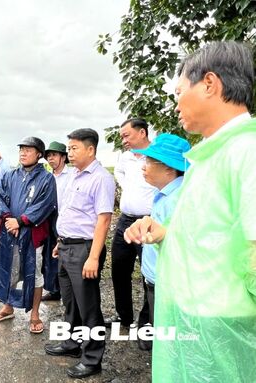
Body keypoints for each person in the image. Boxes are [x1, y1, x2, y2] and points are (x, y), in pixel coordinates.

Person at [124, 41, 256, 382]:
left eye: (180, 91)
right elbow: (212, 234)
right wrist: (163, 232)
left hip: (223, 329)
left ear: (210, 84)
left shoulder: (246, 151)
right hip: (195, 321)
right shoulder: (205, 159)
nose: (177, 102)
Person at [44, 128, 115, 379]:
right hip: (66, 246)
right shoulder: (75, 175)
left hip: (84, 249)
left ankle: (92, 358)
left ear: (90, 149)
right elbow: (71, 213)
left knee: (89, 307)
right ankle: (72, 344)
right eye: (69, 148)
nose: (69, 153)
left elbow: (104, 220)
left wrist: (93, 257)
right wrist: (60, 241)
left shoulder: (101, 178)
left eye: (74, 148)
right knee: (70, 303)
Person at [0, 137, 58, 334]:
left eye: (29, 149)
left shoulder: (46, 178)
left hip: (32, 234)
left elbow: (46, 204)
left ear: (39, 154)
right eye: (22, 149)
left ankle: (35, 314)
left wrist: (21, 221)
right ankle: (8, 306)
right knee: (8, 269)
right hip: (11, 233)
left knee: (34, 273)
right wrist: (9, 219)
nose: (23, 152)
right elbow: (2, 198)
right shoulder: (10, 176)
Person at [130, 133, 190, 351]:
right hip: (157, 279)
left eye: (149, 161)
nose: (143, 167)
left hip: (168, 284)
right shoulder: (165, 193)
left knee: (172, 342)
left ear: (168, 168)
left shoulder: (179, 198)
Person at [107, 118, 155, 329]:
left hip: (149, 221)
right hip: (125, 219)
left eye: (127, 135)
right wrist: (128, 187)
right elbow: (118, 172)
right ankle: (123, 315)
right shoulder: (125, 158)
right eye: (122, 137)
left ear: (142, 132)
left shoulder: (156, 155)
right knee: (119, 268)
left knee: (149, 273)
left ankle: (147, 322)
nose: (124, 140)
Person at [41, 141, 70, 302]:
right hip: (49, 217)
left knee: (63, 253)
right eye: (49, 156)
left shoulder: (71, 176)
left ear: (63, 157)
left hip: (64, 217)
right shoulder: (47, 176)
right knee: (50, 252)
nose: (51, 159)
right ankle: (54, 289)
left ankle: (66, 290)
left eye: (54, 155)